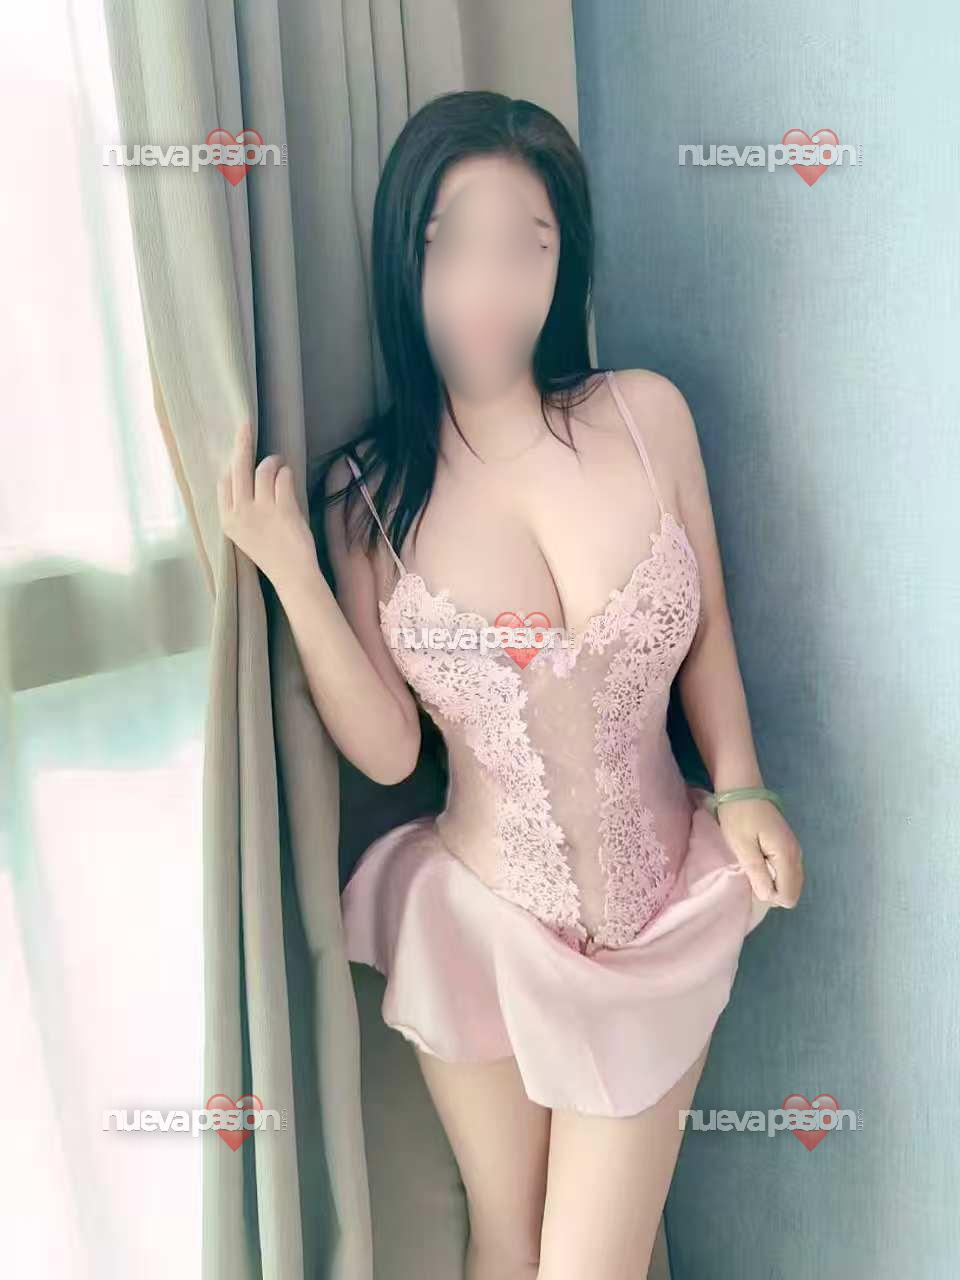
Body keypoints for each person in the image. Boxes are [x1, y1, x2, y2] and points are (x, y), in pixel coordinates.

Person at [218, 90, 804, 1280]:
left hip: (657, 918)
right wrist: (293, 573)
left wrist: (743, 785)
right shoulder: (365, 496)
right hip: (481, 920)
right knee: (509, 1240)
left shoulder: (646, 415)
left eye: (523, 245)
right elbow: (389, 749)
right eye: (452, 246)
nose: (487, 284)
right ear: (405, 259)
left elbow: (708, 626)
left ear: (562, 259)